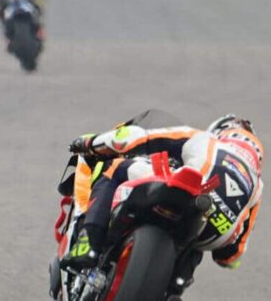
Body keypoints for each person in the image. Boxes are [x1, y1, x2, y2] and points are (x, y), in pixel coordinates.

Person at [61, 112, 264, 273]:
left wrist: (91, 143)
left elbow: (135, 139)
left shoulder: (207, 139)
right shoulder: (256, 186)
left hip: (186, 190)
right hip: (212, 232)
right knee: (195, 246)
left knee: (115, 168)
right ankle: (170, 293)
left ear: (220, 131)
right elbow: (229, 257)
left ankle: (89, 242)